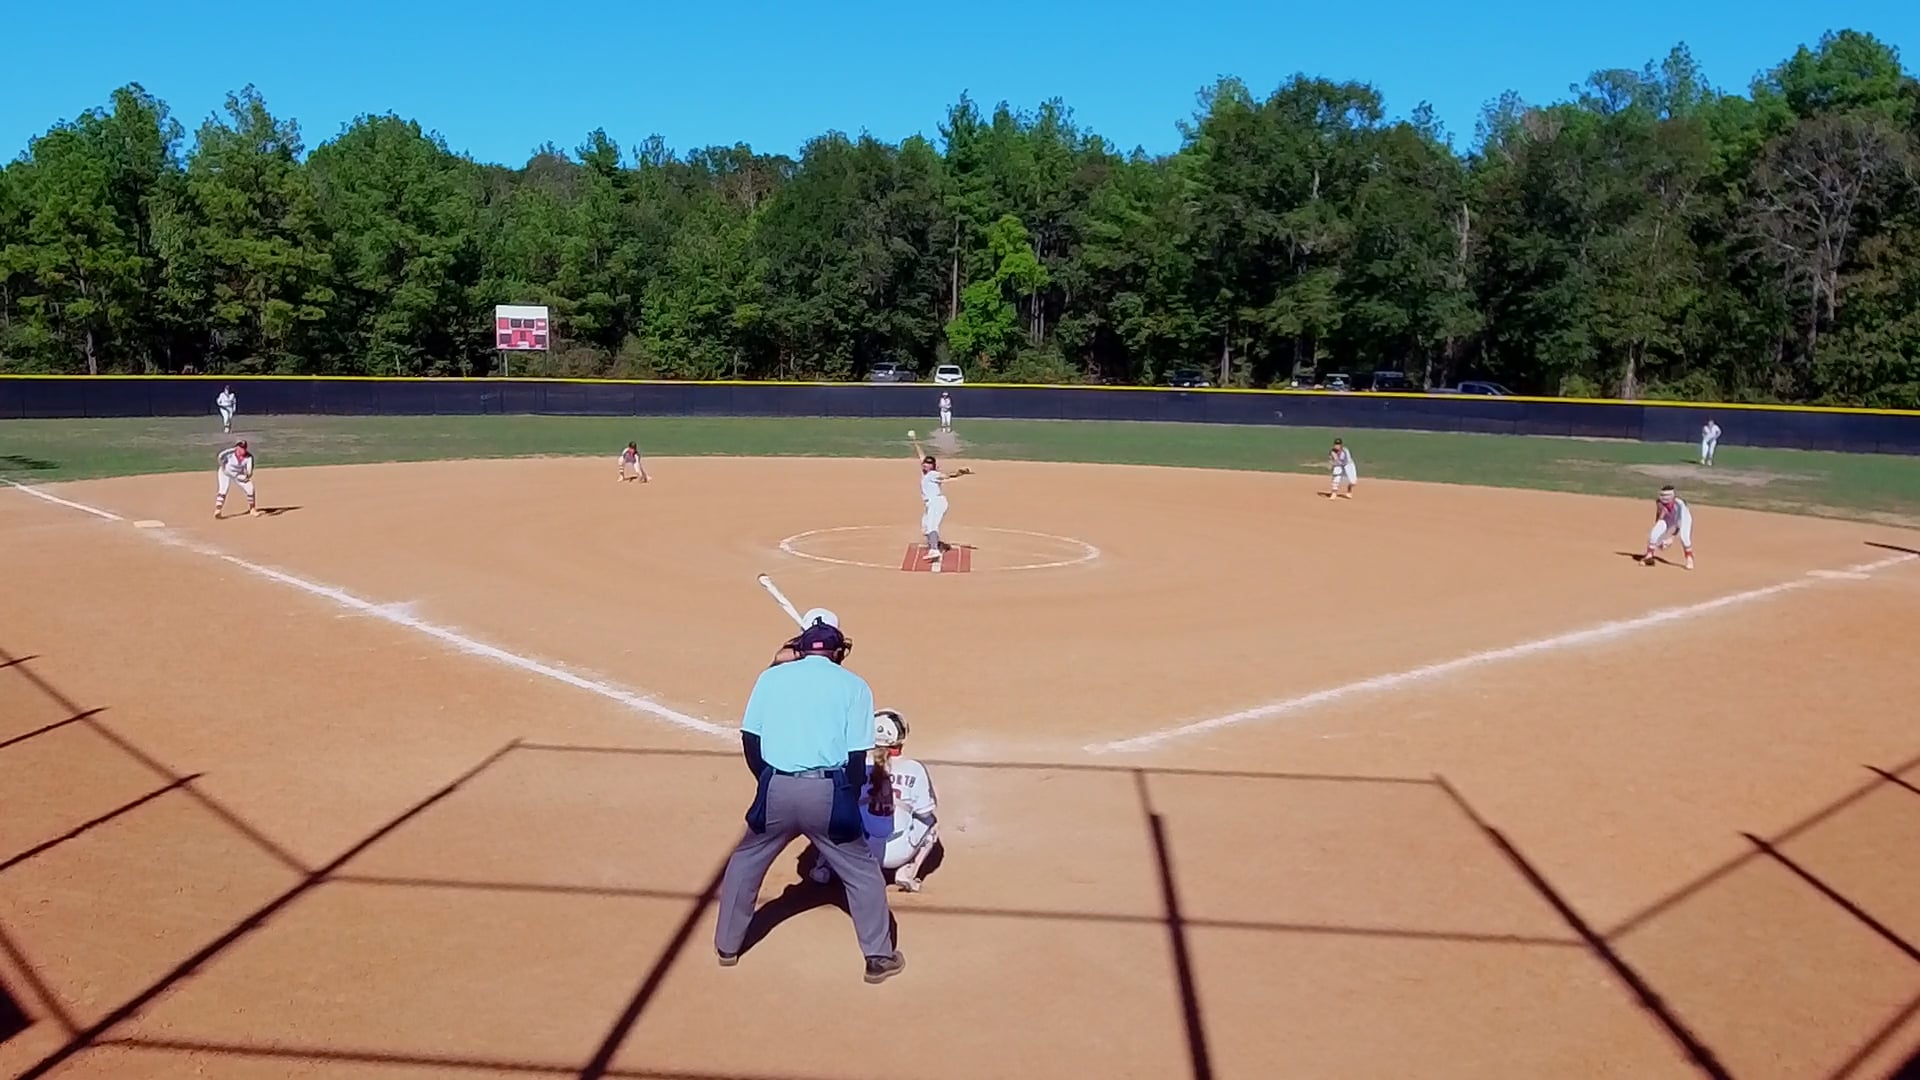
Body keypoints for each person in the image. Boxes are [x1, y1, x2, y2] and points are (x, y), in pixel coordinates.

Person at [713, 610, 906, 984]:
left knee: (746, 861)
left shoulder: (771, 677)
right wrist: (843, 800)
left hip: (776, 787)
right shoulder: (855, 686)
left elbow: (750, 740)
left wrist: (769, 780)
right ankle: (878, 957)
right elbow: (856, 758)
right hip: (827, 791)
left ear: (800, 648)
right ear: (837, 651)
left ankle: (727, 947)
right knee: (862, 871)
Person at [812, 708, 940, 892]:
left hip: (856, 850)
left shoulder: (852, 766)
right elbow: (925, 812)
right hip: (897, 854)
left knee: (831, 812)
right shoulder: (914, 768)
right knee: (931, 823)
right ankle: (908, 871)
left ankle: (824, 867)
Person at [910, 435, 970, 563]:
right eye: (925, 463)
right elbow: (921, 456)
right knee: (925, 528)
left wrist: (959, 473)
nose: (925, 464)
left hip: (937, 503)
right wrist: (916, 443)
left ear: (932, 466)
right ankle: (938, 544)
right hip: (930, 504)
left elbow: (948, 475)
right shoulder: (926, 473)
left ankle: (934, 550)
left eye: (928, 463)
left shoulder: (933, 474)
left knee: (932, 526)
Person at [1641, 484, 1695, 570]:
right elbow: (1659, 515)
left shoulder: (1679, 505)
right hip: (1669, 517)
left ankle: (1689, 558)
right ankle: (1649, 556)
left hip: (1684, 518)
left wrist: (1671, 538)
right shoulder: (1659, 502)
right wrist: (1659, 537)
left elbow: (1679, 523)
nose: (1664, 498)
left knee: (1684, 537)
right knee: (1653, 534)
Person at [214, 440, 258, 519]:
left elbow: (249, 469)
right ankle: (218, 510)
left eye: (244, 448)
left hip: (238, 475)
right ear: (237, 447)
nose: (243, 450)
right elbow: (220, 456)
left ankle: (252, 509)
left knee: (250, 489)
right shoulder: (230, 454)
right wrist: (223, 466)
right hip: (225, 473)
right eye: (241, 447)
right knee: (223, 490)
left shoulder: (249, 457)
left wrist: (247, 475)